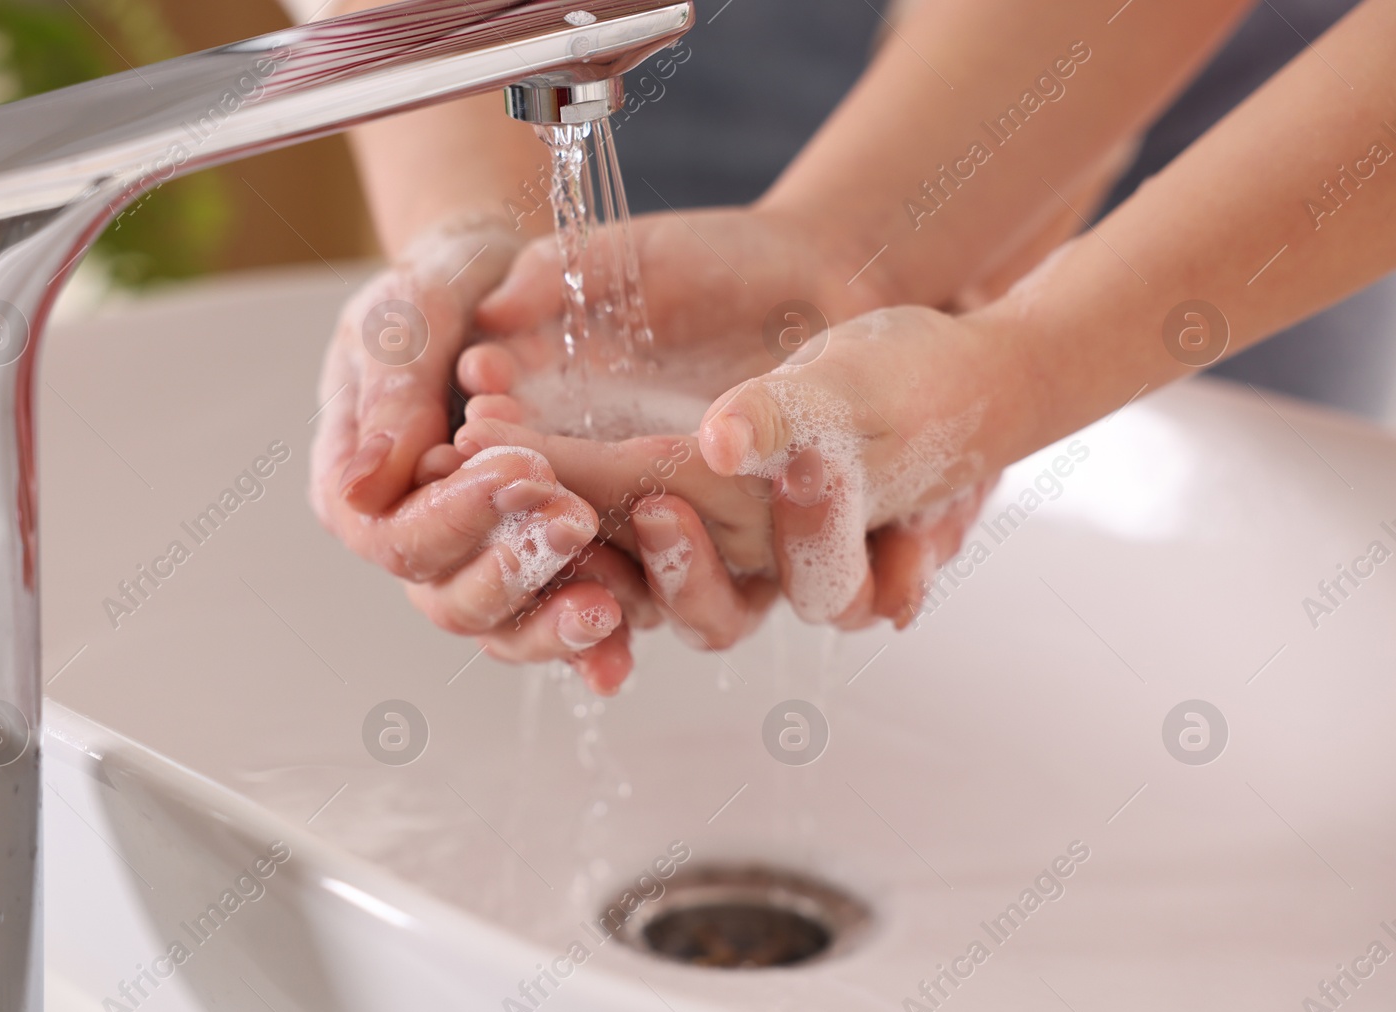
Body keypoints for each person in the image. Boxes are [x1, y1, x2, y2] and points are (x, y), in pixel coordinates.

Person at [290, 0, 1396, 694]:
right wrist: (470, 229)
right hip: (669, 47)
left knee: (1222, 622)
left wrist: (1031, 365)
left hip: (1304, 124)